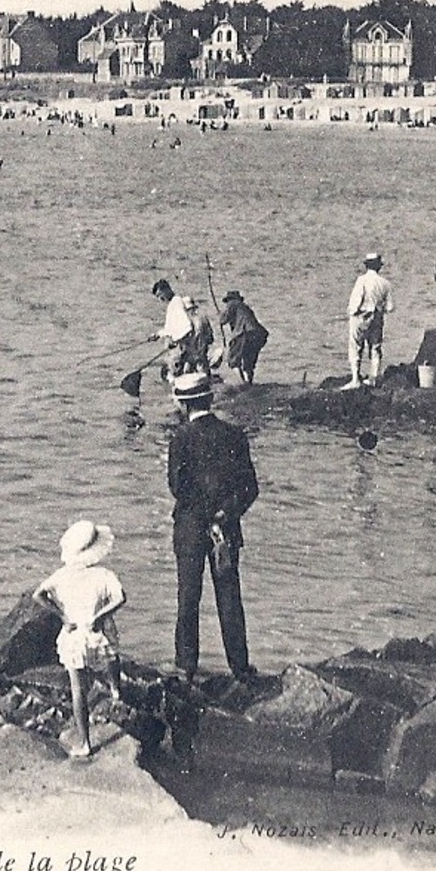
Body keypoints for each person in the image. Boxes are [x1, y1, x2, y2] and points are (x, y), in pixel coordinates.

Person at [167, 372, 259, 684]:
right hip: (226, 528)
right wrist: (223, 514)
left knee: (188, 596)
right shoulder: (235, 435)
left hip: (191, 527)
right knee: (230, 596)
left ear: (183, 403)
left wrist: (204, 514)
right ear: (210, 399)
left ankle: (185, 667)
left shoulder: (180, 438)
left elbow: (178, 487)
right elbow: (250, 488)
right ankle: (240, 667)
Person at [33, 520, 126, 760]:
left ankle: (85, 742)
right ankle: (116, 690)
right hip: (97, 631)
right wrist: (101, 615)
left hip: (74, 634)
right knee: (112, 657)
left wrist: (62, 615)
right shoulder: (103, 575)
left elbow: (38, 595)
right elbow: (120, 598)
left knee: (78, 689)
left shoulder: (61, 575)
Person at [346, 252, 393, 388]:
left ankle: (355, 379)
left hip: (361, 316)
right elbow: (390, 307)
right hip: (377, 317)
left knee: (356, 346)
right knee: (375, 347)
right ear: (379, 267)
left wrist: (352, 313)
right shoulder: (385, 283)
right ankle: (374, 378)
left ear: (367, 266)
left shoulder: (362, 280)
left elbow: (356, 302)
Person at [150, 279, 213, 376]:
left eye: (160, 295)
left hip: (190, 342)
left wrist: (175, 340)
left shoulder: (175, 303)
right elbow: (171, 328)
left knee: (193, 365)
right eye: (158, 297)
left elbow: (185, 326)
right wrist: (158, 335)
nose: (160, 299)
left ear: (167, 290)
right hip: (190, 342)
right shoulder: (176, 303)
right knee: (196, 366)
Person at [219, 290, 269, 384]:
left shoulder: (232, 304)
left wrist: (220, 315)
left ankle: (243, 384)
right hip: (259, 334)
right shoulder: (245, 307)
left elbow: (223, 319)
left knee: (233, 361)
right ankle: (248, 382)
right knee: (248, 362)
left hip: (244, 333)